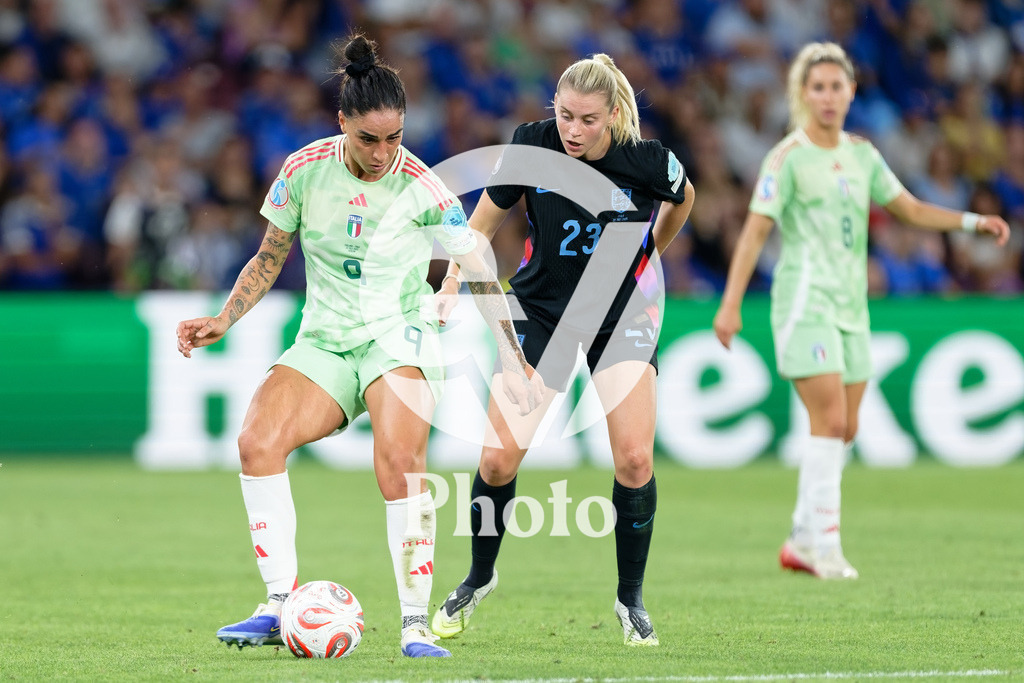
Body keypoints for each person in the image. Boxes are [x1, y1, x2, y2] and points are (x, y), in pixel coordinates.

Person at [175, 34, 542, 658]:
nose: (383, 153)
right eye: (369, 139)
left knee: (399, 464)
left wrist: (512, 355)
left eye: (394, 138)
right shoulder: (303, 172)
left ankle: (415, 626)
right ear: (341, 122)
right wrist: (224, 319)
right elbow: (268, 258)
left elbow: (477, 264)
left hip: (399, 338)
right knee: (256, 442)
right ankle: (277, 603)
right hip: (325, 339)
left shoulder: (422, 187)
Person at [712, 42, 1010, 579]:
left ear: (852, 91)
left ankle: (802, 535)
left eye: (837, 86)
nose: (828, 96)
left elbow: (910, 209)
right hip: (805, 301)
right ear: (803, 94)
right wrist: (731, 304)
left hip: (853, 306)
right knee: (828, 419)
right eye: (818, 87)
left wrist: (971, 222)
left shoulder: (863, 155)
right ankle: (824, 545)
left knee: (845, 428)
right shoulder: (787, 157)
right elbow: (756, 230)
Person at [429, 53, 695, 646]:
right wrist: (450, 283)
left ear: (615, 115)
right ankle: (478, 577)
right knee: (498, 460)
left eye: (588, 120)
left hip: (616, 311)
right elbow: (479, 229)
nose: (573, 131)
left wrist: (651, 249)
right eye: (565, 115)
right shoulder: (530, 145)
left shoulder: (649, 160)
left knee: (634, 460)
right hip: (542, 311)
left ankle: (631, 600)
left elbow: (685, 197)